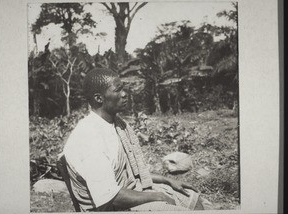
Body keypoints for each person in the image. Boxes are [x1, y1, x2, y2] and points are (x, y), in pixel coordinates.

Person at [63, 68, 212, 212]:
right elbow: (111, 197)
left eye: (123, 88)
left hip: (129, 191)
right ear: (98, 98)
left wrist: (167, 180)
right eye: (117, 90)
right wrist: (158, 196)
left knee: (192, 198)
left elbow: (133, 174)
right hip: (112, 207)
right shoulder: (88, 138)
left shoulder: (116, 125)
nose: (124, 94)